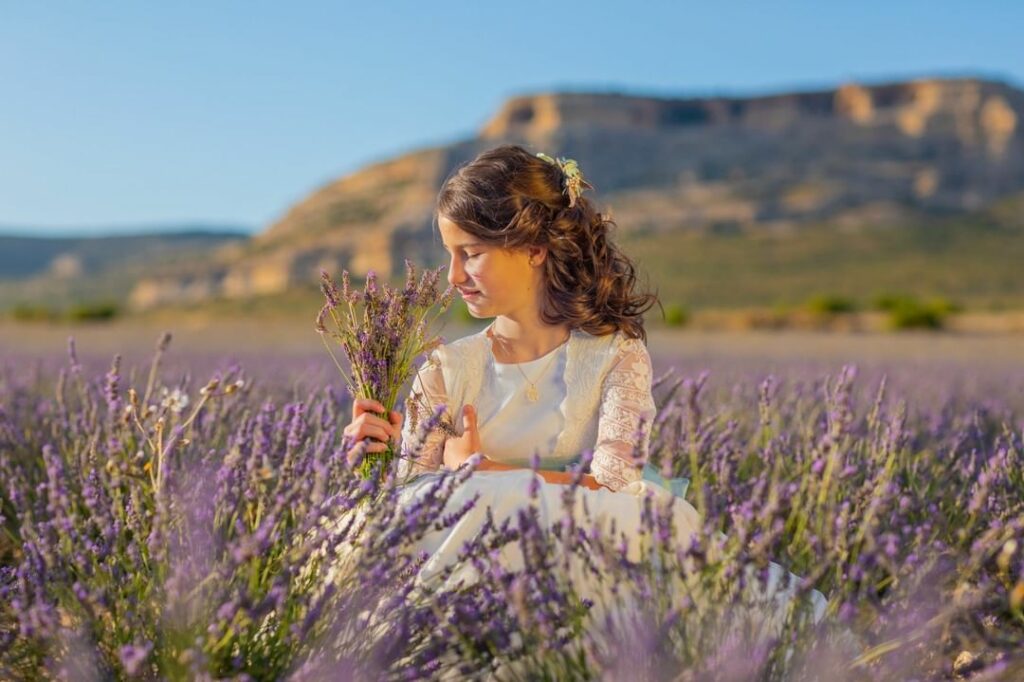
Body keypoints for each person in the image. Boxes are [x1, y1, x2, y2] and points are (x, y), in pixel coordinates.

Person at [340, 144, 824, 634]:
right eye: (450, 255)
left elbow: (615, 483)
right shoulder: (446, 369)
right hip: (478, 580)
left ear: (533, 248)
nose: (453, 276)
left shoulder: (614, 354)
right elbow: (413, 507)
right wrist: (376, 456)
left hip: (590, 555)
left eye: (472, 254)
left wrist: (486, 475)